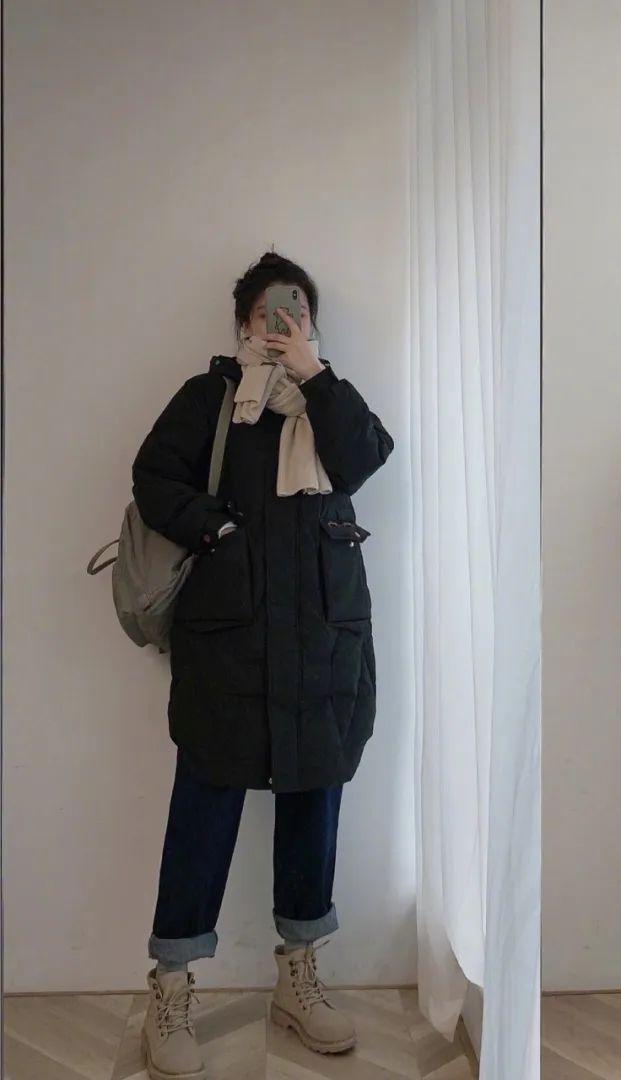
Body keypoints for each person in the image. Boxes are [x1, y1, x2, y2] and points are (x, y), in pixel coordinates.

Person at [131, 251, 394, 1077]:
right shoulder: (209, 398)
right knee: (203, 806)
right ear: (243, 323)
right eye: (267, 313)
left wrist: (315, 374)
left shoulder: (329, 400)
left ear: (312, 324)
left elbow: (366, 458)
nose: (281, 325)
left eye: (297, 313)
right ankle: (172, 986)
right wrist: (214, 529)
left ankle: (299, 979)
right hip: (229, 641)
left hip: (321, 637)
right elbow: (153, 477)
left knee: (314, 801)